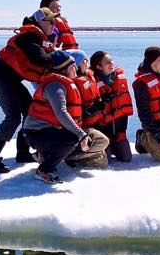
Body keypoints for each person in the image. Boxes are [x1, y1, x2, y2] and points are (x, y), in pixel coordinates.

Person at [0, 7, 58, 173]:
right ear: (41, 22)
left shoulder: (36, 36)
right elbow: (40, 59)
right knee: (12, 117)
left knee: (29, 112)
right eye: (51, 21)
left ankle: (22, 152)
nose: (53, 24)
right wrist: (59, 55)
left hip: (11, 80)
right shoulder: (30, 36)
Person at [23, 49, 110, 185]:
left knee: (96, 140)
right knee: (72, 138)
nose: (76, 67)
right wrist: (81, 134)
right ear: (63, 69)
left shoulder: (68, 82)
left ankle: (47, 155)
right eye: (72, 66)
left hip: (56, 130)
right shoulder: (55, 85)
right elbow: (61, 112)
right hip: (37, 133)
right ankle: (44, 170)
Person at [90, 49, 134, 163]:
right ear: (99, 66)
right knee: (106, 161)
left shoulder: (119, 81)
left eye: (111, 61)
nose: (111, 64)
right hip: (102, 133)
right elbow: (91, 115)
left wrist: (122, 131)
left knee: (126, 158)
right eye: (107, 62)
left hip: (117, 130)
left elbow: (124, 110)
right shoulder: (92, 84)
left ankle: (115, 145)